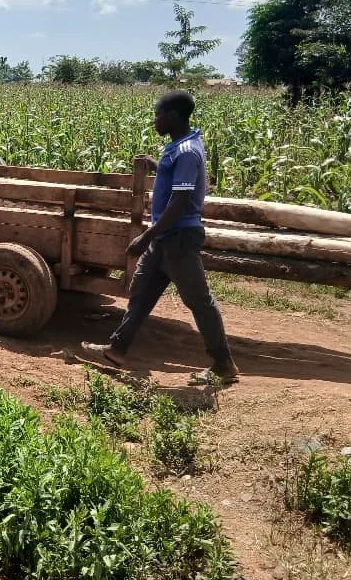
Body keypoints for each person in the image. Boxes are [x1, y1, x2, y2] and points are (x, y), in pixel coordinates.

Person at [80, 90, 240, 386]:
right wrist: (157, 166)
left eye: (159, 115)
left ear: (175, 116)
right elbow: (174, 180)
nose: (155, 120)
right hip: (165, 240)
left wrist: (145, 236)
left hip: (177, 239)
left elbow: (179, 203)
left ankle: (223, 364)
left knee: (199, 301)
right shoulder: (178, 147)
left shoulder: (187, 152)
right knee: (141, 294)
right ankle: (117, 350)